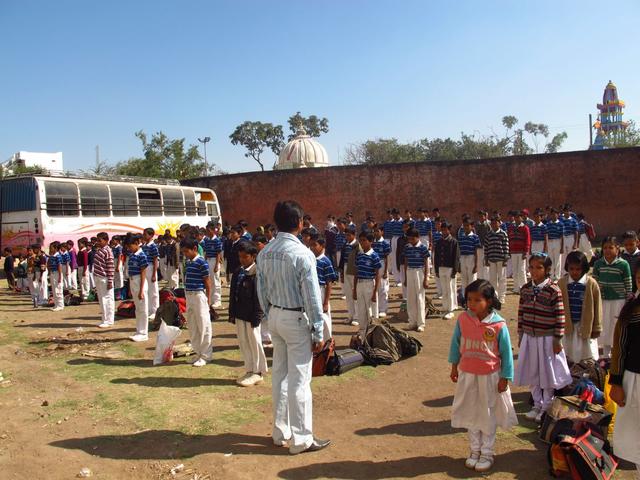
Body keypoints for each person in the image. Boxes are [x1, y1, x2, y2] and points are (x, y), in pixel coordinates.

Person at [256, 200, 330, 455]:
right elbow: (312, 298)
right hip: (295, 319)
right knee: (299, 380)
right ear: (300, 223)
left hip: (276, 315)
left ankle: (281, 431)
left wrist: (269, 314)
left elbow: (261, 290)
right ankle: (301, 439)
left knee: (280, 376)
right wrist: (318, 330)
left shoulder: (265, 252)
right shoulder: (302, 254)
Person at [449, 279, 517, 473]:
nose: (472, 304)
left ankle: (487, 453)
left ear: (488, 301)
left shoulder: (498, 325)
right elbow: (456, 344)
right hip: (467, 374)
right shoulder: (463, 319)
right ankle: (474, 450)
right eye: (469, 299)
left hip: (489, 376)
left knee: (487, 414)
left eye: (477, 300)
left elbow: (506, 354)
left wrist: (505, 377)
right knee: (471, 411)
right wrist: (454, 367)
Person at [515, 253, 571, 423]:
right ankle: (536, 404)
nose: (534, 271)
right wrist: (521, 333)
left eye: (538, 267)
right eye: (531, 267)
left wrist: (557, 339)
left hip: (546, 338)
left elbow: (560, 316)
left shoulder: (553, 290)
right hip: (530, 337)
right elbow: (521, 313)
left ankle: (547, 405)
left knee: (546, 373)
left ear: (547, 270)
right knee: (533, 371)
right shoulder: (525, 289)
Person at [610, 262, 640, 477]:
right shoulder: (631, 308)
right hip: (634, 379)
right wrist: (616, 382)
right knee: (636, 435)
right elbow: (619, 348)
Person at [229, 241, 268, 386]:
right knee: (244, 342)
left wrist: (257, 316)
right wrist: (232, 313)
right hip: (240, 313)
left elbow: (259, 297)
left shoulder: (257, 273)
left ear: (253, 256)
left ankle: (258, 372)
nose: (242, 260)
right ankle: (249, 369)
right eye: (240, 257)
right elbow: (233, 293)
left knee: (255, 342)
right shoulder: (238, 272)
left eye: (245, 257)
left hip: (252, 315)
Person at [558, 251, 601, 363]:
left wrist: (597, 327)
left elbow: (597, 308)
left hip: (585, 326)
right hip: (568, 326)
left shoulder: (591, 284)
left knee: (587, 356)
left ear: (584, 268)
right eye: (571, 269)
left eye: (578, 269)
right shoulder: (561, 283)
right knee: (567, 355)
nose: (574, 272)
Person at [593, 237, 633, 358]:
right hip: (603, 300)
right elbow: (594, 282)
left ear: (617, 249)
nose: (607, 250)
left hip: (619, 300)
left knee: (616, 325)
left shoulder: (623, 264)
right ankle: (605, 355)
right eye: (605, 248)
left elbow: (628, 283)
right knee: (604, 325)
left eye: (611, 247)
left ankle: (617, 353)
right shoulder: (598, 264)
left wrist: (628, 300)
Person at [181, 237, 212, 367]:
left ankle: (206, 355)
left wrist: (208, 300)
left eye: (186, 251)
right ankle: (198, 352)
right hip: (189, 295)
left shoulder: (202, 263)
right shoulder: (188, 262)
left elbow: (207, 282)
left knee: (203, 325)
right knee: (193, 325)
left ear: (194, 249)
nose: (185, 254)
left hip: (199, 295)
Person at [353, 230, 382, 337]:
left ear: (370, 242)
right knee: (361, 309)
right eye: (360, 240)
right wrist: (354, 289)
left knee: (370, 310)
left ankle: (372, 333)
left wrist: (375, 292)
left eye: (364, 240)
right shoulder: (359, 255)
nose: (362, 243)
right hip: (360, 284)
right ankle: (362, 330)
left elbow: (377, 274)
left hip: (369, 283)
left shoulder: (374, 255)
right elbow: (356, 272)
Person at [309, 234, 337, 340]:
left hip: (321, 290)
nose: (312, 247)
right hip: (311, 289)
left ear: (322, 246)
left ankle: (328, 342)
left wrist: (326, 302)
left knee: (324, 318)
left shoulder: (326, 261)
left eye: (314, 245)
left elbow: (329, 283)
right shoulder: (310, 259)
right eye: (311, 245)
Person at [403, 228, 430, 331]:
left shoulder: (423, 248)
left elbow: (426, 263)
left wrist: (426, 279)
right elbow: (406, 262)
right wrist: (405, 277)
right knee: (410, 298)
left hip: (419, 272)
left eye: (412, 239)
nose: (411, 241)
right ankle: (412, 322)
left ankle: (421, 323)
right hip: (410, 271)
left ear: (418, 237)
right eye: (409, 239)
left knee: (419, 298)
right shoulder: (407, 247)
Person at [434, 220, 460, 320]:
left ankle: (451, 309)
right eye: (442, 230)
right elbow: (436, 256)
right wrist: (436, 269)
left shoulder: (453, 242)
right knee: (444, 289)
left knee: (450, 289)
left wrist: (454, 270)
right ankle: (445, 308)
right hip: (441, 267)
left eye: (445, 230)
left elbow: (456, 257)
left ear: (449, 230)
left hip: (450, 268)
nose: (444, 231)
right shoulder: (439, 242)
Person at [126, 234, 149, 342]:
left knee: (143, 309)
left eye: (130, 246)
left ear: (136, 243)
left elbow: (143, 272)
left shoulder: (142, 255)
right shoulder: (132, 255)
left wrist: (141, 290)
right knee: (138, 309)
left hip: (140, 281)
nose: (129, 248)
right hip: (133, 281)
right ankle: (139, 330)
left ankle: (143, 332)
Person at [483, 216, 509, 304]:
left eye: (496, 223)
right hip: (491, 259)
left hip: (501, 259)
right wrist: (486, 259)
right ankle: (494, 296)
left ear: (499, 223)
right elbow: (486, 248)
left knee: (502, 279)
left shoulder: (503, 234)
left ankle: (502, 297)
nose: (494, 225)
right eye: (492, 223)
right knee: (492, 279)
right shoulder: (489, 234)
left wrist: (505, 260)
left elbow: (506, 247)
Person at [93, 232, 115, 328]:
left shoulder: (108, 251)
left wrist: (110, 281)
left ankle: (108, 320)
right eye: (97, 240)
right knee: (102, 299)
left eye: (100, 240)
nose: (98, 242)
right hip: (98, 277)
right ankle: (104, 318)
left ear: (106, 240)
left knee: (107, 299)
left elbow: (110, 267)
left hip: (105, 278)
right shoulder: (100, 250)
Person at [339, 225, 359, 326]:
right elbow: (342, 260)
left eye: (349, 235)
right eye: (346, 235)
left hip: (354, 270)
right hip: (346, 268)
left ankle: (357, 316)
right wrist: (342, 273)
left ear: (354, 235)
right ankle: (350, 315)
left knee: (355, 293)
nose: (347, 237)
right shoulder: (345, 245)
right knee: (348, 294)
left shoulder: (357, 245)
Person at [507, 211, 531, 294]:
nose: (517, 219)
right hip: (513, 251)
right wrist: (509, 250)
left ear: (521, 218)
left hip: (521, 252)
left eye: (519, 217)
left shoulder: (525, 228)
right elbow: (509, 239)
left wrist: (526, 251)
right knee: (515, 270)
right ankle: (516, 288)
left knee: (521, 270)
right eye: (516, 217)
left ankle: (524, 288)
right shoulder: (511, 227)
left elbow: (527, 240)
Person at [372, 224, 391, 318]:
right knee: (374, 287)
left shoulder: (385, 243)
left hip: (382, 264)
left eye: (377, 231)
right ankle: (375, 308)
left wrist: (385, 271)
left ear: (382, 232)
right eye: (374, 231)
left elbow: (387, 258)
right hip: (374, 266)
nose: (376, 233)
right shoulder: (372, 242)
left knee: (383, 289)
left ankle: (383, 309)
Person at [203, 222, 223, 308]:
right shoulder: (207, 240)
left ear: (212, 230)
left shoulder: (217, 240)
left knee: (216, 281)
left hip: (215, 260)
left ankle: (217, 300)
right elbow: (206, 252)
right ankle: (210, 299)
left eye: (208, 230)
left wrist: (216, 265)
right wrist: (205, 261)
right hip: (208, 260)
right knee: (209, 281)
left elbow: (218, 253)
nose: (207, 232)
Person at [142, 228, 160, 320]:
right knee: (147, 289)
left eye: (145, 234)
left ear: (151, 235)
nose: (144, 236)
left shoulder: (153, 246)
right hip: (145, 268)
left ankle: (155, 310)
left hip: (151, 267)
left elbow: (155, 260)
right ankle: (149, 309)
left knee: (153, 291)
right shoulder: (144, 245)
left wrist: (154, 274)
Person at [458, 219, 480, 290]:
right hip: (463, 258)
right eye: (464, 226)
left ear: (472, 226)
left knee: (472, 279)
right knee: (464, 279)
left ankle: (472, 296)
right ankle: (465, 297)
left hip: (471, 258)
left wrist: (476, 265)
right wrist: (459, 263)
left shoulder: (475, 237)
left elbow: (476, 252)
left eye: (467, 225)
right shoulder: (461, 237)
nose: (466, 227)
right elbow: (459, 251)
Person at [546, 208, 565, 280]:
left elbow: (562, 236)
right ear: (550, 215)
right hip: (550, 242)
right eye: (552, 214)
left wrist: (562, 247)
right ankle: (551, 276)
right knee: (550, 260)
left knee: (557, 260)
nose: (554, 215)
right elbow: (547, 235)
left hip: (557, 241)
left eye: (555, 214)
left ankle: (557, 277)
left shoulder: (560, 224)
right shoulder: (548, 224)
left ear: (558, 215)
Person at [48, 242, 64, 311]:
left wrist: (60, 276)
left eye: (51, 248)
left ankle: (60, 305)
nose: (50, 249)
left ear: (55, 248)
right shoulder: (52, 256)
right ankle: (56, 304)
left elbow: (59, 266)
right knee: (54, 290)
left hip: (57, 273)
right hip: (52, 273)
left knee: (58, 290)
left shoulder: (58, 256)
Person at [475, 211, 491, 280]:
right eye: (480, 216)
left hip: (486, 246)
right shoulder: (477, 225)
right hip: (479, 246)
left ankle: (486, 278)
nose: (481, 218)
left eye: (482, 216)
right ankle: (480, 278)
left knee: (486, 262)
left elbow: (490, 234)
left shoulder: (488, 225)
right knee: (479, 263)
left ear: (485, 217)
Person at [111, 236, 125, 300]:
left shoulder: (119, 247)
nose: (113, 241)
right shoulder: (113, 247)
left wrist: (117, 266)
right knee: (115, 278)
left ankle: (120, 294)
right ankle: (116, 293)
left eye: (114, 240)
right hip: (114, 261)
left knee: (119, 278)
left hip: (118, 262)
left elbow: (119, 257)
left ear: (117, 241)